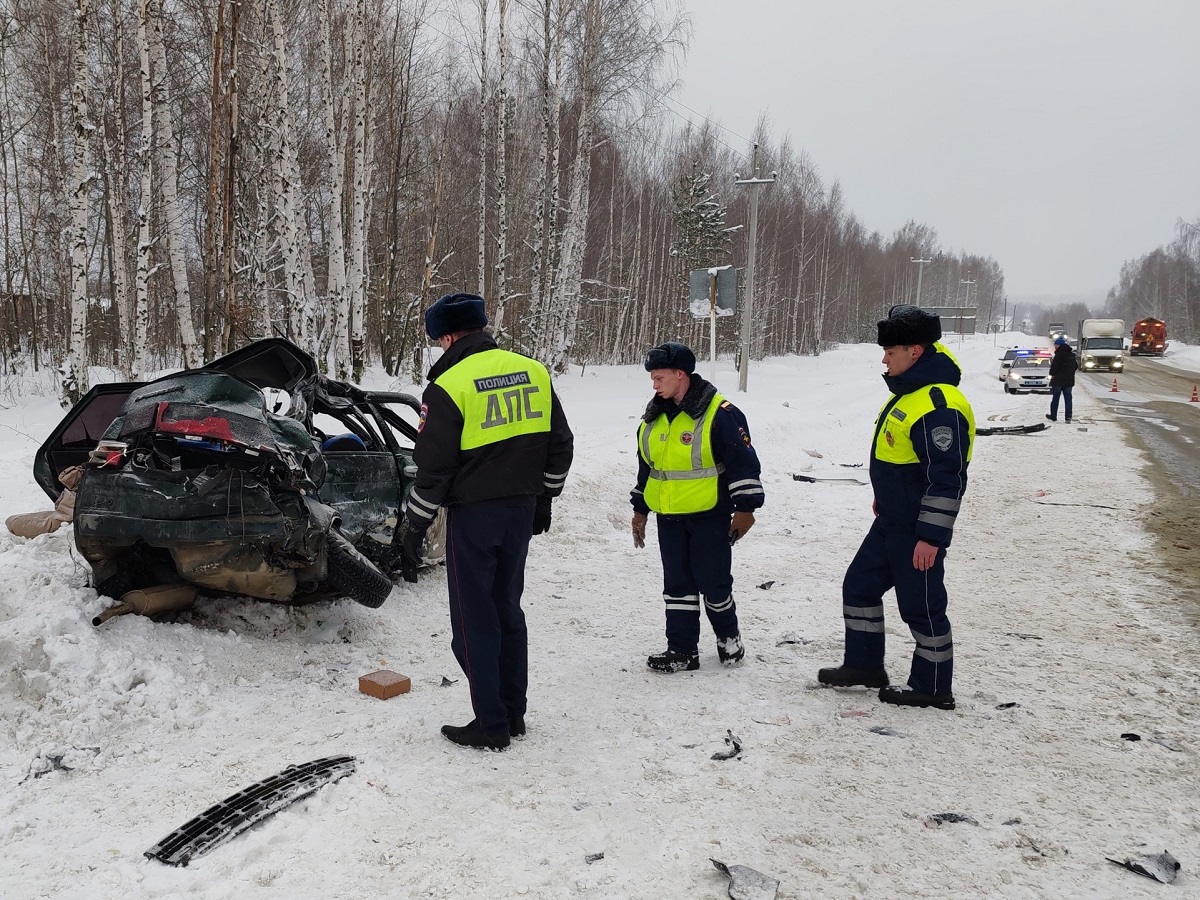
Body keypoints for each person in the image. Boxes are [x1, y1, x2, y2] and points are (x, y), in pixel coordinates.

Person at [400, 292, 574, 750]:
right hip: (520, 512)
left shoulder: (449, 386)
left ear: (448, 336)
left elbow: (434, 470)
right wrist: (545, 498)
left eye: (438, 341)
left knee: (473, 621)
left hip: (474, 517)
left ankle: (490, 725)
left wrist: (414, 526)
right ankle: (513, 713)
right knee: (507, 609)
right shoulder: (534, 371)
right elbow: (560, 444)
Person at [818, 306, 974, 710]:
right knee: (859, 587)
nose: (884, 360)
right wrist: (883, 494)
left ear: (914, 351)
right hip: (891, 519)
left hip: (916, 529)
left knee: (922, 607)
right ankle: (864, 666)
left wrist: (931, 538)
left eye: (890, 352)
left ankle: (933, 687)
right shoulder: (912, 393)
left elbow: (947, 478)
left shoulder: (938, 403)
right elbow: (901, 458)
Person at [630, 341, 764, 673]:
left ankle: (728, 638)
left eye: (659, 377)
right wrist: (640, 510)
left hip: (709, 515)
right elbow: (648, 469)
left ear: (681, 374)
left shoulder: (720, 413)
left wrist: (746, 509)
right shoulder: (653, 419)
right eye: (652, 378)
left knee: (713, 582)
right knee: (677, 586)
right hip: (669, 517)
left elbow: (742, 462)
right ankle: (682, 650)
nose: (654, 384)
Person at [1047, 335, 1076, 423]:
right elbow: (1076, 366)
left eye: (1055, 345)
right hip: (1069, 381)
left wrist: (1052, 373)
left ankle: (1053, 416)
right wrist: (1069, 373)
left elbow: (1054, 368)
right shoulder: (1071, 355)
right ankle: (1068, 417)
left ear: (1058, 345)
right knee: (1068, 399)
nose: (1055, 346)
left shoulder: (1059, 355)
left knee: (1055, 398)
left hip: (1058, 381)